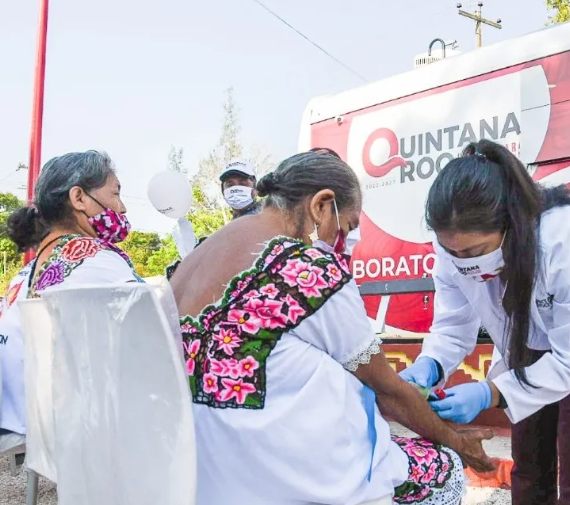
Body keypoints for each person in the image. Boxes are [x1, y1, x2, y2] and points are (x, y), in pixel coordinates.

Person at [169, 150, 493, 505]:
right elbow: (387, 390)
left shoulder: (192, 261)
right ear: (322, 205)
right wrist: (461, 445)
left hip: (209, 474)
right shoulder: (306, 267)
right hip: (290, 471)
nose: (346, 240)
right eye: (348, 226)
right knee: (440, 469)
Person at [398, 139, 570, 505]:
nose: (463, 262)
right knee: (528, 469)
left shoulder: (565, 234)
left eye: (474, 252)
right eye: (453, 252)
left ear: (511, 222)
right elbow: (453, 326)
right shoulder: (452, 246)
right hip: (526, 347)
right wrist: (430, 366)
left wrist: (491, 392)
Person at [0, 150, 142, 440]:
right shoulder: (94, 256)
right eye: (115, 194)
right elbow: (156, 331)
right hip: (71, 426)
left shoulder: (24, 273)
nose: (123, 207)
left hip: (23, 414)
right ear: (79, 198)